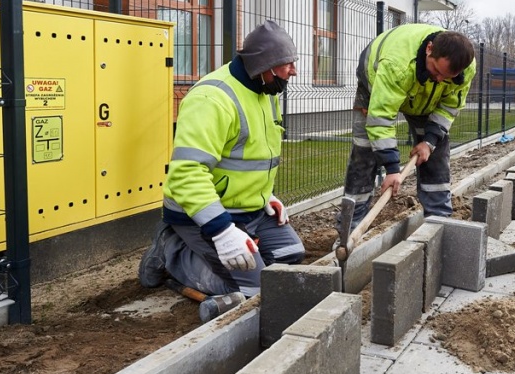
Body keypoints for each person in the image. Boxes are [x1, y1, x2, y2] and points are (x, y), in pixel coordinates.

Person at [138, 20, 306, 298]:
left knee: (289, 257)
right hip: (201, 215)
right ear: (264, 65)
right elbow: (187, 174)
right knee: (252, 289)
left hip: (249, 210)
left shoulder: (264, 91)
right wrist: (222, 231)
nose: (294, 71)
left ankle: (223, 252)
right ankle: (170, 250)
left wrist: (267, 196)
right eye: (286, 63)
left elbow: (250, 155)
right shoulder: (211, 99)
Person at [342, 23, 476, 228]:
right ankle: (350, 227)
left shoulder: (465, 69)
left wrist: (429, 142)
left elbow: (449, 106)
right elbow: (382, 118)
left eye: (447, 77)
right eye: (436, 71)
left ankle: (438, 223)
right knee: (365, 153)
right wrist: (393, 169)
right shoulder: (397, 65)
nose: (440, 80)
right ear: (429, 49)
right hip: (375, 87)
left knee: (436, 153)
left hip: (425, 100)